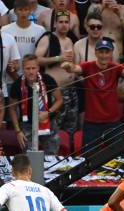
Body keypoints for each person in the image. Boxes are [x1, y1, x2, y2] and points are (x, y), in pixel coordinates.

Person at [61, 38, 124, 154]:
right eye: (101, 52)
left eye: (106, 52)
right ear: (96, 53)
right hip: (92, 122)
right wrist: (68, 66)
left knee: (117, 156)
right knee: (89, 157)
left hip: (112, 122)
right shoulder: (88, 66)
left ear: (111, 53)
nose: (104, 55)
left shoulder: (115, 67)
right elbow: (74, 69)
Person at [35, 9, 77, 142]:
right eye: (61, 22)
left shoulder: (70, 40)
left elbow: (71, 62)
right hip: (55, 92)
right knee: (54, 129)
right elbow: (37, 59)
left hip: (71, 91)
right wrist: (59, 58)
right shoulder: (48, 38)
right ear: (55, 24)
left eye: (66, 22)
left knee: (71, 128)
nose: (64, 25)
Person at [8, 54, 63, 154]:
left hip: (48, 121)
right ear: (23, 69)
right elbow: (12, 109)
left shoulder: (47, 79)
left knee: (51, 156)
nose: (31, 71)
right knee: (29, 157)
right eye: (27, 68)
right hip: (27, 124)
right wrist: (18, 131)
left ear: (38, 68)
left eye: (33, 68)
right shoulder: (17, 84)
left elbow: (59, 100)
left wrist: (48, 112)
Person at [1, 0, 46, 65]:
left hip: (31, 71)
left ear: (30, 11)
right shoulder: (5, 30)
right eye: (20, 10)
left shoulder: (40, 30)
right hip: (11, 70)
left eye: (26, 9)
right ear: (15, 12)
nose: (23, 13)